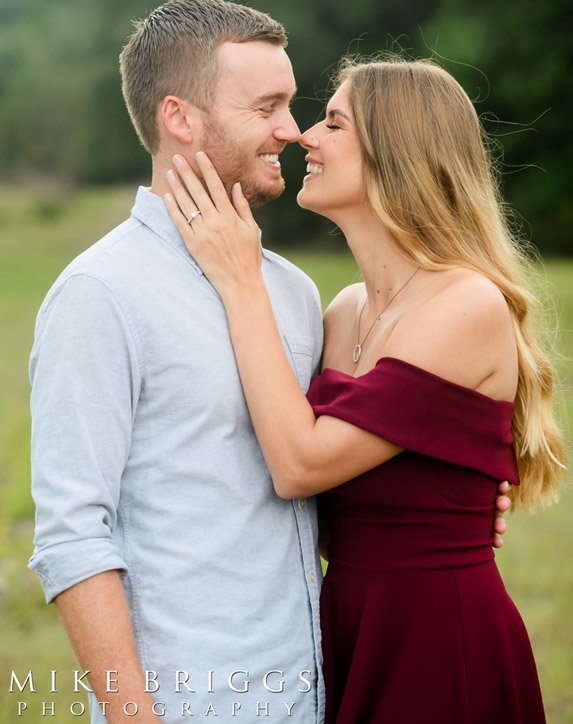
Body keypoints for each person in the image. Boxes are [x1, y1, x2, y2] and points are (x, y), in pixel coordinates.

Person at [28, 0, 509, 724]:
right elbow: (72, 533)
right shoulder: (102, 294)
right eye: (268, 106)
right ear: (180, 119)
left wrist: (448, 498)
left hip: (319, 682)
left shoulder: (288, 292)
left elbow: (320, 462)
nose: (294, 129)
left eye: (303, 108)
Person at [164, 57, 567, 724]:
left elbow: (299, 466)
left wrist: (240, 279)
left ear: (395, 150)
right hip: (344, 623)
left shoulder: (466, 303)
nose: (304, 139)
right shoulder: (343, 310)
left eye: (332, 122)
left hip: (435, 637)